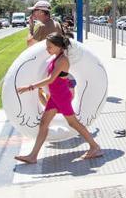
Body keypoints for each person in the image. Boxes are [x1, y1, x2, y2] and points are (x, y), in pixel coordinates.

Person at [15, 32, 103, 163]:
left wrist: (29, 87)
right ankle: (33, 156)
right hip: (55, 97)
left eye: (49, 47)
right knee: (44, 123)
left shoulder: (62, 60)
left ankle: (95, 147)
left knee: (73, 123)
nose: (47, 49)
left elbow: (51, 79)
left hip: (61, 96)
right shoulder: (56, 58)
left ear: (58, 46)